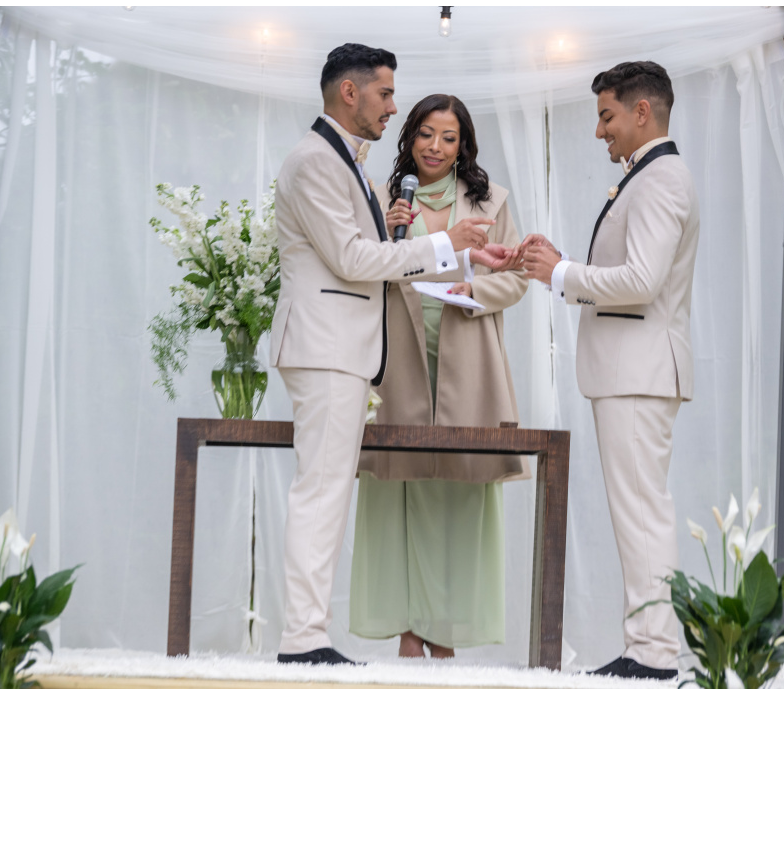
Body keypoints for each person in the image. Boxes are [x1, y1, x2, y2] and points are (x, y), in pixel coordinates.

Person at [270, 45, 511, 666]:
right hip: (328, 347)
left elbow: (365, 253)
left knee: (327, 493)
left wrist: (457, 255)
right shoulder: (316, 161)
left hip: (346, 351)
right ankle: (303, 642)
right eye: (385, 94)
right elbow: (353, 259)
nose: (393, 106)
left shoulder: (342, 160)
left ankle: (309, 638)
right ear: (350, 93)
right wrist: (444, 242)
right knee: (321, 492)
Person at [520, 60, 699, 681]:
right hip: (631, 370)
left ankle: (653, 654)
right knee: (638, 512)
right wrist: (562, 264)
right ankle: (645, 647)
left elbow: (642, 282)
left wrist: (562, 274)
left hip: (637, 371)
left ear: (641, 111)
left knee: (642, 512)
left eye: (606, 116)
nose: (600, 131)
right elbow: (631, 273)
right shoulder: (646, 176)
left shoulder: (661, 179)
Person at [350, 94, 528, 658]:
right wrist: (385, 238)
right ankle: (408, 630)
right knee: (398, 492)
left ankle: (444, 631)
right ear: (409, 137)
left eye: (448, 138)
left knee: (458, 496)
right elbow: (358, 270)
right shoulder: (381, 198)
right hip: (398, 359)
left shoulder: (491, 201)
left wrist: (474, 288)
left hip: (466, 357)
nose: (435, 147)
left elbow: (517, 276)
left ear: (463, 145)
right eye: (426, 134)